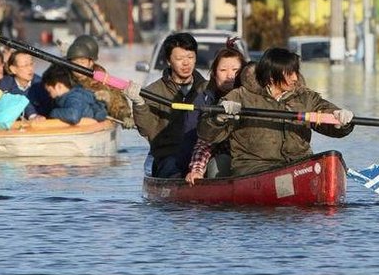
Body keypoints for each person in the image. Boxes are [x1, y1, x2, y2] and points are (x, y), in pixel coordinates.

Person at [197, 46, 354, 178]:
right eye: (289, 73)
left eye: (296, 72)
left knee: (331, 157)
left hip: (298, 166)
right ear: (272, 76)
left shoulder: (306, 97)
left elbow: (326, 112)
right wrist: (219, 118)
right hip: (254, 169)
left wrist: (341, 120)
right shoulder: (240, 96)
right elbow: (207, 134)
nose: (295, 78)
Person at [126, 31, 207, 178]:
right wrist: (139, 104)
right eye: (179, 58)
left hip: (200, 155)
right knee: (171, 169)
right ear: (169, 61)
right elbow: (147, 130)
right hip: (168, 156)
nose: (186, 63)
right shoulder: (153, 91)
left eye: (190, 57)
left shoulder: (207, 89)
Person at [185, 41, 250, 185]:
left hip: (252, 159)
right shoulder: (205, 100)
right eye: (223, 70)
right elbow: (204, 141)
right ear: (214, 74)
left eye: (235, 70)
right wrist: (196, 170)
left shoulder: (254, 96)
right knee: (218, 164)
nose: (230, 76)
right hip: (221, 157)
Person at [65, 34, 134, 128]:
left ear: (91, 62)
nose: (78, 66)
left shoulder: (101, 81)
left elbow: (117, 100)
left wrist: (125, 116)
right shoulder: (63, 74)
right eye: (75, 61)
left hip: (92, 121)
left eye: (82, 61)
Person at [41, 64, 108, 125]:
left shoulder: (74, 97)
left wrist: (53, 113)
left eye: (50, 91)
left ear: (59, 86)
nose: (49, 95)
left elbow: (73, 116)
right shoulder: (68, 96)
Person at [5, 48, 53, 118]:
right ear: (13, 69)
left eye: (31, 64)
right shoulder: (4, 83)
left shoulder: (42, 85)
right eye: (25, 65)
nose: (30, 68)